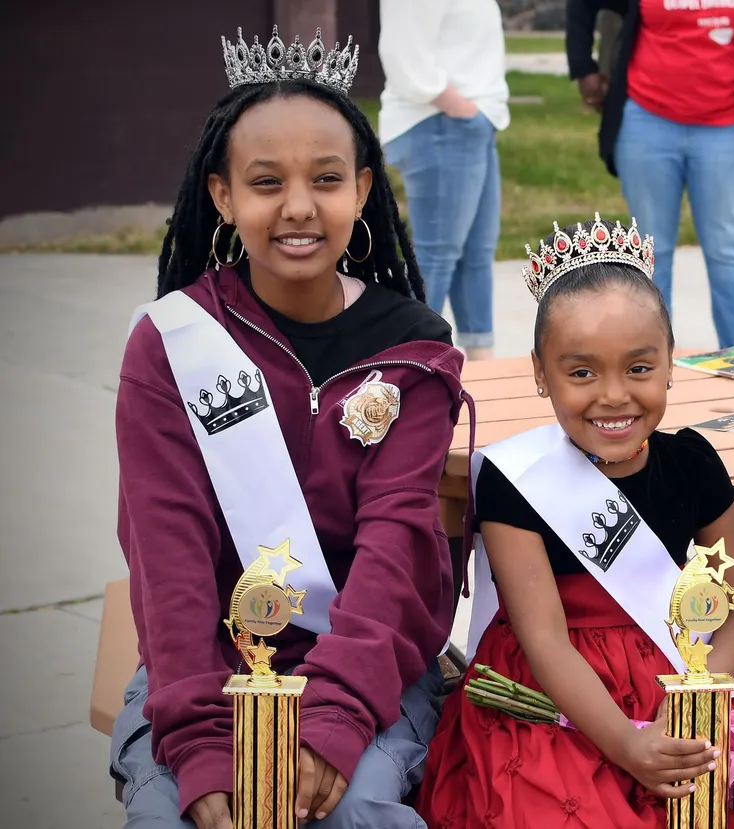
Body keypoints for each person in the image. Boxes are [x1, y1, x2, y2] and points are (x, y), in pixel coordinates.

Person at [108, 25, 466, 828]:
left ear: (364, 188)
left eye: (327, 179)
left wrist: (333, 723)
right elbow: (168, 563)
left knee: (353, 814)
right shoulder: (172, 345)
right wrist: (199, 745)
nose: (299, 206)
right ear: (223, 197)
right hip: (204, 669)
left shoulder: (413, 348)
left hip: (372, 669)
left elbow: (393, 551)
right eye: (266, 181)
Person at [415, 215, 734, 828]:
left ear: (669, 362)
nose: (613, 396)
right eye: (581, 372)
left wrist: (697, 699)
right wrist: (627, 744)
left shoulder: (691, 464)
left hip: (678, 679)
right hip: (553, 699)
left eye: (638, 368)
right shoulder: (516, 481)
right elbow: (545, 638)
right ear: (539, 372)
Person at [564, 1, 734, 352]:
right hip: (647, 122)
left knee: (725, 247)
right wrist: (584, 67)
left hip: (728, 129)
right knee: (651, 251)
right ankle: (649, 361)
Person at [378, 0, 509, 360]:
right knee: (436, 257)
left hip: (471, 122)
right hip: (439, 122)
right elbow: (402, 52)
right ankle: (406, 367)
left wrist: (475, 117)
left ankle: (483, 369)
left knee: (476, 254)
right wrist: (460, 109)